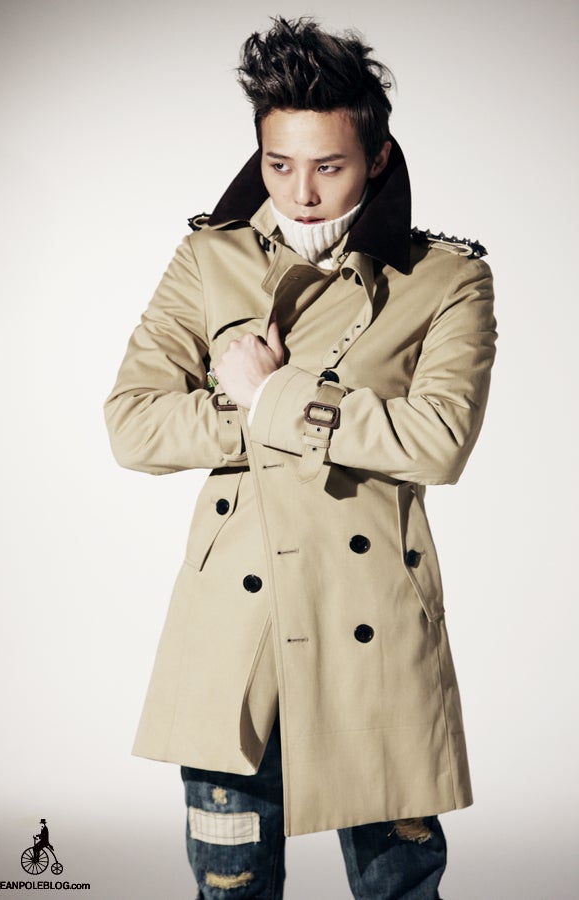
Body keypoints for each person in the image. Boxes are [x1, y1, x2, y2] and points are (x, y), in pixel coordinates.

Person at [105, 16, 496, 899]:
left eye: (329, 166)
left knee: (400, 888)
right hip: (233, 625)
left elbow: (438, 442)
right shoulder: (209, 259)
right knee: (230, 885)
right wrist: (271, 410)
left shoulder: (445, 278)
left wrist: (271, 394)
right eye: (279, 165)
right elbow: (133, 425)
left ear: (378, 158)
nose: (302, 192)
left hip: (373, 618)